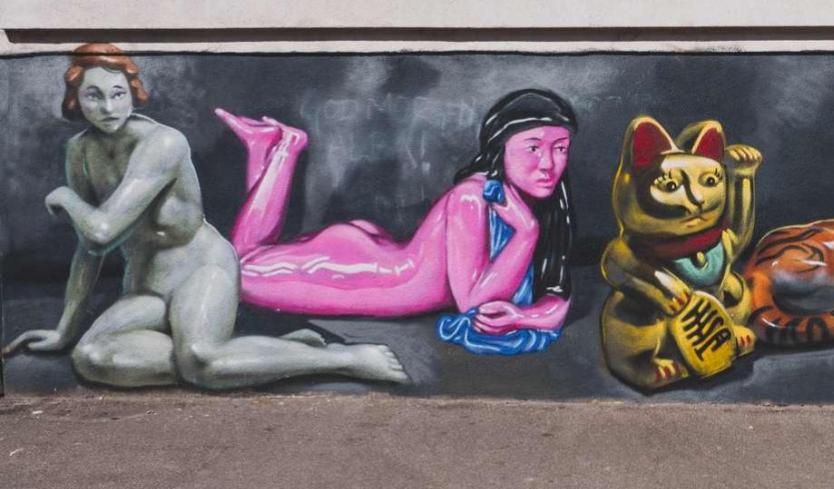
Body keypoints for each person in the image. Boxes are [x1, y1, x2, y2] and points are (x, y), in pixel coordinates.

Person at [2, 43, 408, 389]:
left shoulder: (162, 143)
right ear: (76, 98)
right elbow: (87, 251)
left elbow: (102, 233)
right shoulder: (80, 152)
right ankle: (265, 356)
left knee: (200, 357)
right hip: (146, 286)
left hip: (201, 272)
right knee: (92, 357)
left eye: (118, 93)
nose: (109, 106)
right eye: (94, 95)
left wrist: (66, 199)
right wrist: (65, 331)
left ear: (132, 94)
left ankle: (346, 358)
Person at [215, 88, 577, 355]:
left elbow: (557, 296)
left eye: (559, 148)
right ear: (501, 148)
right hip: (366, 274)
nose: (548, 163)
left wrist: (524, 317)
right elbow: (474, 301)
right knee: (239, 269)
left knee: (253, 258)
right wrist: (527, 233)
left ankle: (267, 147)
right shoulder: (473, 195)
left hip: (375, 256)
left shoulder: (542, 205)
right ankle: (285, 148)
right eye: (533, 147)